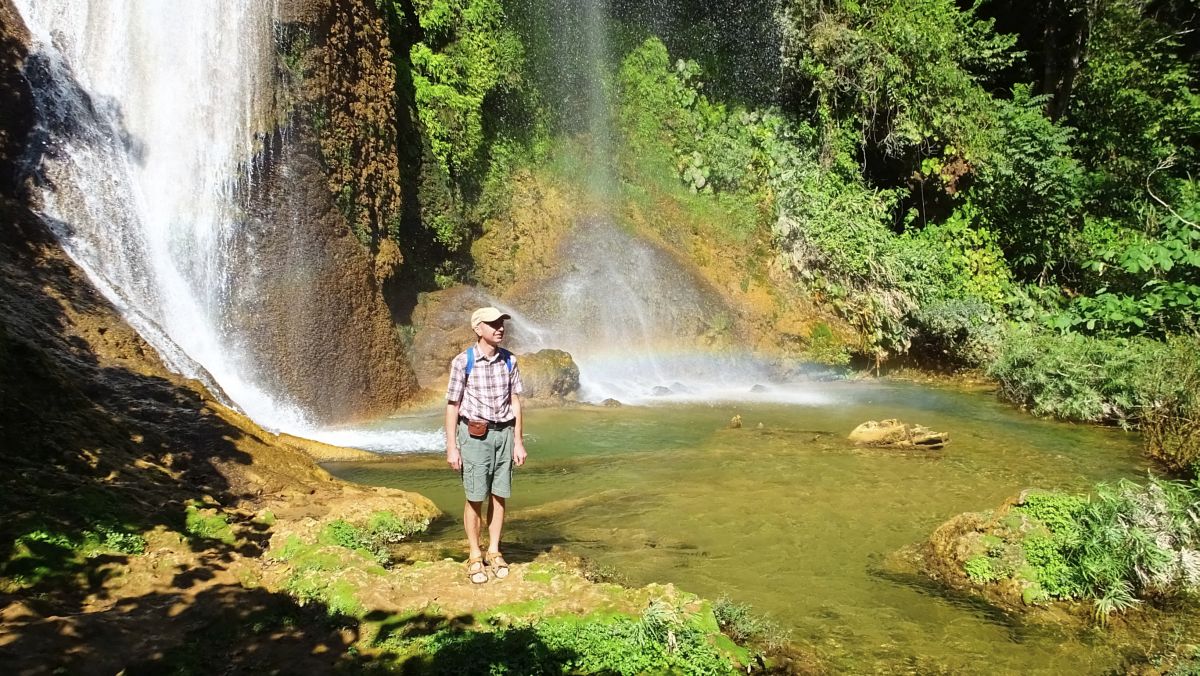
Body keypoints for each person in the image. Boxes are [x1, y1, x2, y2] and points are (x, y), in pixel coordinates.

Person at [445, 306, 527, 584]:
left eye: (501, 323)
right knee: (475, 496)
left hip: (504, 434)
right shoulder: (463, 362)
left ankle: (494, 550)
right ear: (478, 329)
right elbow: (453, 406)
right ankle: (474, 554)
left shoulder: (510, 361)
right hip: (475, 436)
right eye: (492, 324)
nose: (499, 328)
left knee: (500, 494)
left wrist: (518, 440)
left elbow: (515, 401)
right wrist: (452, 447)